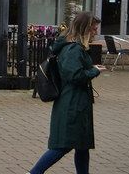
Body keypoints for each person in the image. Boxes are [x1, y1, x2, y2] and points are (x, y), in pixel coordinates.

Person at [28, 11, 105, 174]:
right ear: (85, 29)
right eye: (94, 29)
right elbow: (74, 75)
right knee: (62, 145)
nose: (96, 33)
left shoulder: (73, 47)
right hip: (72, 104)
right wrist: (94, 72)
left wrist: (91, 69)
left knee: (82, 145)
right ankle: (34, 172)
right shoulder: (73, 49)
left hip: (77, 102)